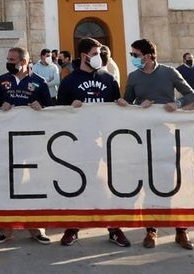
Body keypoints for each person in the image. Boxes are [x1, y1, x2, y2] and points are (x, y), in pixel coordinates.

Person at [117, 38, 194, 250]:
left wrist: (177, 103)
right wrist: (135, 105)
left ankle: (181, 230)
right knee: (149, 182)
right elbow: (127, 103)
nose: (132, 58)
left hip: (168, 136)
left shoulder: (169, 73)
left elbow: (190, 95)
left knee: (172, 182)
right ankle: (151, 230)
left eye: (135, 55)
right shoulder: (133, 77)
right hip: (144, 138)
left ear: (148, 55)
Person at [57, 38, 129, 248]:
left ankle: (113, 228)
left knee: (107, 186)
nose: (99, 56)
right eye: (95, 53)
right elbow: (58, 112)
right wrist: (70, 107)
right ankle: (73, 227)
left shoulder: (108, 79)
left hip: (104, 141)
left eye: (99, 52)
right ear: (83, 56)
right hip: (78, 142)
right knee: (77, 186)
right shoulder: (69, 81)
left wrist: (123, 105)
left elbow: (116, 105)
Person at [0, 47, 51, 245]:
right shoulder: (2, 81)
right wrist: (1, 108)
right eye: (7, 58)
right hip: (7, 141)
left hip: (32, 141)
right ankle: (5, 228)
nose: (8, 61)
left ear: (23, 62)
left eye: (12, 59)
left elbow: (52, 111)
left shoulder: (39, 82)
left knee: (33, 184)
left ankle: (36, 227)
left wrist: (41, 109)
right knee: (8, 183)